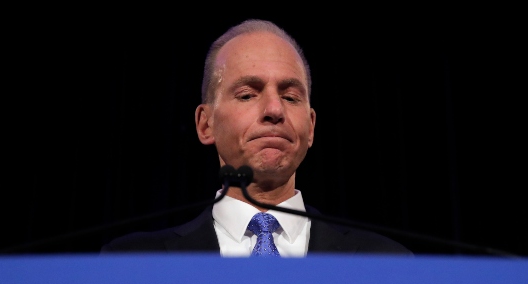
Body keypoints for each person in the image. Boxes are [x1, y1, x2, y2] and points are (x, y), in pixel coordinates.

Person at [101, 19, 411, 256]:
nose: (275, 110)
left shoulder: (387, 262)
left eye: (291, 97)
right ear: (205, 124)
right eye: (248, 95)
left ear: (311, 126)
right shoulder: (134, 261)